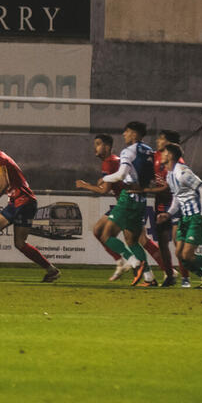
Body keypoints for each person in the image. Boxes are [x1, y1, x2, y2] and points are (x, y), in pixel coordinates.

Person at [75, 120, 159, 287]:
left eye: (126, 131)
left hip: (128, 198)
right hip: (141, 199)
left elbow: (121, 175)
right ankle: (149, 278)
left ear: (134, 133)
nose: (124, 134)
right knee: (132, 240)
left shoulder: (128, 151)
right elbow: (152, 177)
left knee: (106, 235)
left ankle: (134, 262)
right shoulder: (149, 151)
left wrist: (104, 178)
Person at [0, 129, 58, 282]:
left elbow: (4, 183)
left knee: (17, 242)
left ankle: (51, 270)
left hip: (24, 202)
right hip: (17, 202)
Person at [153, 143, 202, 289]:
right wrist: (168, 214)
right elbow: (177, 197)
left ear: (170, 155)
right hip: (185, 218)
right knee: (180, 254)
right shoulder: (170, 175)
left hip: (196, 217)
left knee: (187, 255)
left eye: (164, 152)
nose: (161, 155)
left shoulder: (182, 172)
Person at [147, 129, 182, 286]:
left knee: (178, 244)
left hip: (174, 205)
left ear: (169, 143)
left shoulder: (178, 164)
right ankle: (169, 275)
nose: (157, 141)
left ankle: (195, 276)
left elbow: (169, 187)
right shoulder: (156, 156)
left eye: (161, 139)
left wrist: (146, 189)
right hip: (160, 204)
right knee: (162, 242)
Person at [92, 133, 128, 281]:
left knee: (138, 241)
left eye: (98, 144)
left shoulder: (109, 162)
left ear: (107, 147)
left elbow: (105, 190)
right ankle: (121, 262)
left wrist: (86, 186)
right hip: (122, 203)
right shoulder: (113, 161)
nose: (95, 147)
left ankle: (129, 262)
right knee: (98, 231)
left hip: (126, 204)